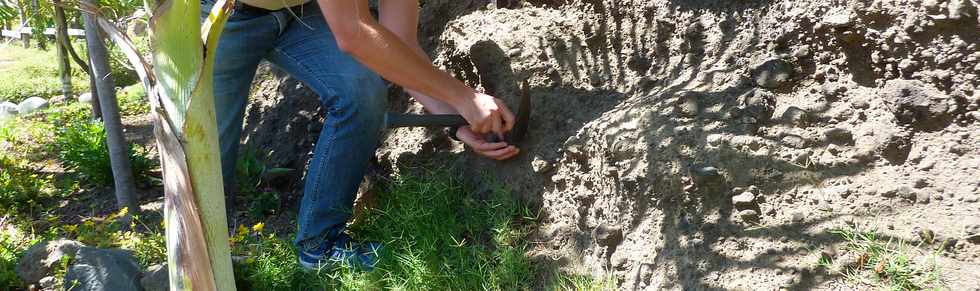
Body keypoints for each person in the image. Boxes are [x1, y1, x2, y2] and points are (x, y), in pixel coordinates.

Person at [202, 0, 521, 271]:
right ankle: (202, 267)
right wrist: (465, 98)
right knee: (206, 158)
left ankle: (320, 245)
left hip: (300, 12)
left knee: (360, 92)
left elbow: (399, 44)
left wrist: (454, 117)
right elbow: (354, 34)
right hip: (220, 15)